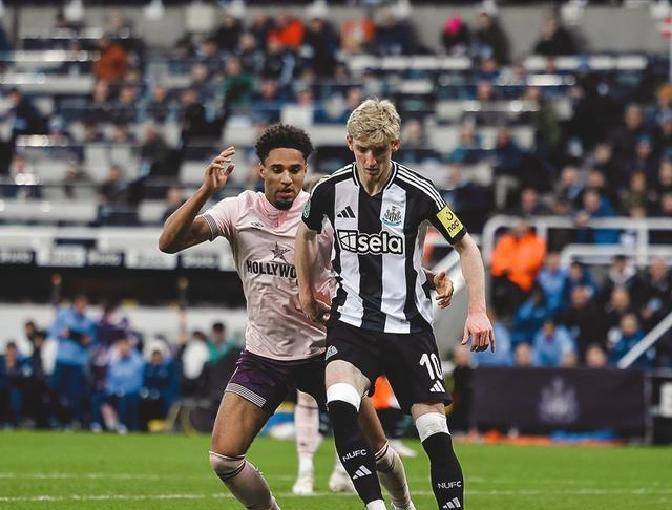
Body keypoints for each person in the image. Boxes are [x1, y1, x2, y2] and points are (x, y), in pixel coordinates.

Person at [159, 124, 426, 510]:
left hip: (325, 352)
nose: (287, 179)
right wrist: (205, 192)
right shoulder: (239, 210)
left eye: (295, 170)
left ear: (305, 171)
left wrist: (428, 277)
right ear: (261, 170)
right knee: (223, 458)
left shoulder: (326, 212)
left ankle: (404, 504)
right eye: (278, 169)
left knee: (378, 450)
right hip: (264, 354)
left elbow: (379, 259)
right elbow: (168, 243)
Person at [295, 99, 494, 510]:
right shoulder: (330, 189)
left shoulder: (419, 192)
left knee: (434, 434)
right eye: (362, 150)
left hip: (409, 328)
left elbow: (467, 247)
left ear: (395, 145)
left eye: (379, 151)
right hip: (352, 324)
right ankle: (376, 506)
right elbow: (305, 233)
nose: (370, 161)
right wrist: (305, 290)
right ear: (350, 144)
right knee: (341, 405)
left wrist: (477, 310)